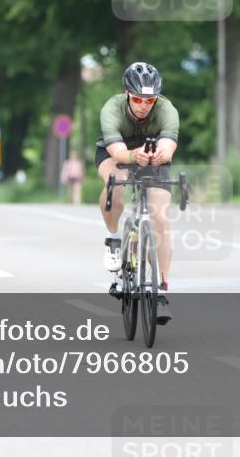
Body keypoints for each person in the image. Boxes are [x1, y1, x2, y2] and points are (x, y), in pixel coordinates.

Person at [95, 62, 178, 324]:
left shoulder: (166, 109)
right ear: (126, 94)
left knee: (161, 219)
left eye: (150, 100)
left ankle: (162, 287)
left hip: (153, 157)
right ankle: (112, 239)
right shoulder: (112, 108)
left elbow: (168, 144)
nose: (144, 105)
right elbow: (118, 153)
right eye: (138, 99)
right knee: (115, 182)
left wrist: (161, 154)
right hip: (117, 153)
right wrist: (133, 155)